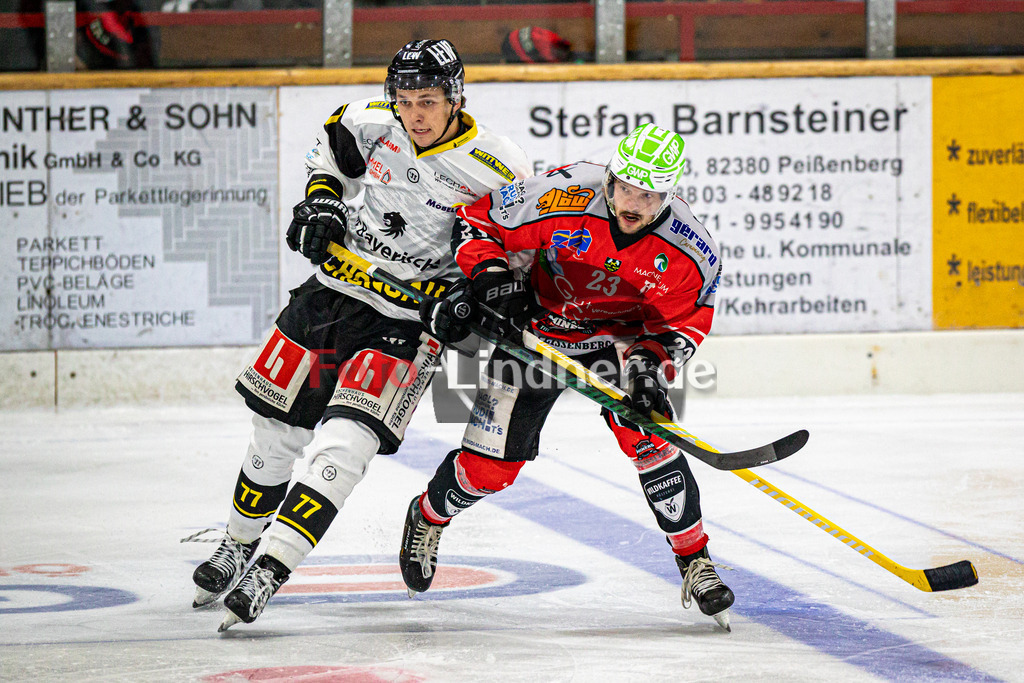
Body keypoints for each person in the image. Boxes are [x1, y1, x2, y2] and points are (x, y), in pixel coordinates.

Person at [187, 38, 531, 631]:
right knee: (275, 432)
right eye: (405, 100)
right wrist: (322, 206)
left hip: (407, 323)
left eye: (428, 101)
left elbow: (511, 256)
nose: (414, 114)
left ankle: (272, 566)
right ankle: (237, 544)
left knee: (347, 443)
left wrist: (470, 299)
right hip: (331, 296)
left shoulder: (500, 167)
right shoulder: (370, 122)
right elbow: (330, 159)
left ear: (455, 98)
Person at [405, 123, 735, 630]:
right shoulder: (564, 193)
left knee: (649, 436)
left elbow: (683, 323)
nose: (632, 203)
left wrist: (650, 368)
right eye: (625, 188)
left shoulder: (689, 251)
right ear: (610, 180)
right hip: (533, 332)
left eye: (648, 195)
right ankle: (428, 516)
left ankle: (695, 560)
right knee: (491, 470)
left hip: (614, 344)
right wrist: (493, 279)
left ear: (668, 197)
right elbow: (477, 222)